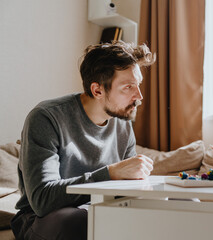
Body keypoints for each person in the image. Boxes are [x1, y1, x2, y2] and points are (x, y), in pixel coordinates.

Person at [11, 40, 156, 240]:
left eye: (138, 85)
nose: (138, 96)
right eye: (128, 87)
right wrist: (110, 173)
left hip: (97, 210)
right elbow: (42, 199)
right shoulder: (46, 117)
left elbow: (126, 191)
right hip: (40, 219)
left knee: (179, 206)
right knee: (78, 221)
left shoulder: (122, 124)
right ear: (97, 90)